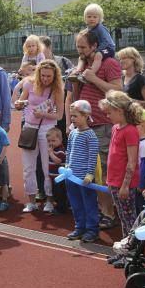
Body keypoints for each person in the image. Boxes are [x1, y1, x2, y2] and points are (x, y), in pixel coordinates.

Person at [72, 28, 123, 229]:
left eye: (84, 46)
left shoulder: (109, 63)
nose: (80, 51)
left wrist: (92, 78)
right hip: (85, 126)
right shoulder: (82, 64)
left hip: (103, 125)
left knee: (101, 170)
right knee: (87, 170)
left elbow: (118, 90)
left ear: (95, 46)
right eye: (78, 47)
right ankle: (98, 210)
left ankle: (108, 213)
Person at [16, 59, 65, 214]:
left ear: (55, 76)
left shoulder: (57, 89)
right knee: (28, 167)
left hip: (47, 129)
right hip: (30, 128)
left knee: (46, 166)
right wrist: (19, 104)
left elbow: (60, 114)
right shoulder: (29, 84)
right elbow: (22, 101)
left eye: (49, 76)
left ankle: (49, 200)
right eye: (43, 75)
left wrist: (43, 113)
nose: (45, 79)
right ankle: (31, 201)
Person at [100, 90, 142, 238]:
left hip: (124, 184)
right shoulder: (115, 128)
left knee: (129, 219)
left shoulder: (130, 131)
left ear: (119, 110)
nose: (107, 116)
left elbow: (131, 162)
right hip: (115, 181)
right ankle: (126, 248)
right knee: (123, 217)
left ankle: (131, 250)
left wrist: (125, 185)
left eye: (109, 112)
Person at [65, 100, 100, 241]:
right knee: (76, 204)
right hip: (71, 176)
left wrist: (90, 174)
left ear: (86, 116)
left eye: (75, 116)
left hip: (84, 179)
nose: (72, 119)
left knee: (89, 204)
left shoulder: (90, 135)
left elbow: (93, 156)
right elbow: (68, 151)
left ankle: (92, 229)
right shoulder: (73, 133)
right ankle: (79, 227)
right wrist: (67, 166)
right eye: (71, 116)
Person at [68, 4, 116, 84]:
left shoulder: (100, 29)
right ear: (85, 18)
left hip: (108, 48)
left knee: (98, 56)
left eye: (95, 17)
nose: (92, 19)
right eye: (89, 17)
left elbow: (106, 42)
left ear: (99, 18)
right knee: (81, 57)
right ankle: (78, 71)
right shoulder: (88, 29)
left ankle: (91, 72)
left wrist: (97, 51)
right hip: (97, 48)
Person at [46, 127, 69, 214]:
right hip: (54, 177)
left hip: (59, 177)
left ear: (60, 139)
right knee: (56, 193)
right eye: (49, 141)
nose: (51, 143)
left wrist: (51, 153)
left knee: (60, 193)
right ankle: (59, 206)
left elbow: (58, 161)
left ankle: (61, 208)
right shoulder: (53, 150)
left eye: (53, 141)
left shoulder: (61, 151)